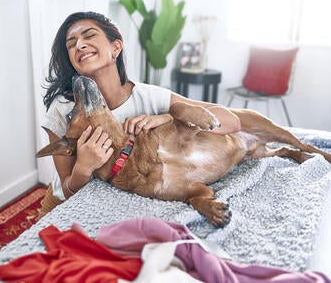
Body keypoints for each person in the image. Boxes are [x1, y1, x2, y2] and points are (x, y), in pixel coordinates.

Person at [39, 11, 240, 214]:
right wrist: (82, 168)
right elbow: (65, 189)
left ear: (116, 46)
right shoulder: (62, 108)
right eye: (71, 44)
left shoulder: (148, 97)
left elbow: (231, 122)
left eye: (89, 36)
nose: (79, 45)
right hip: (62, 206)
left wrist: (166, 117)